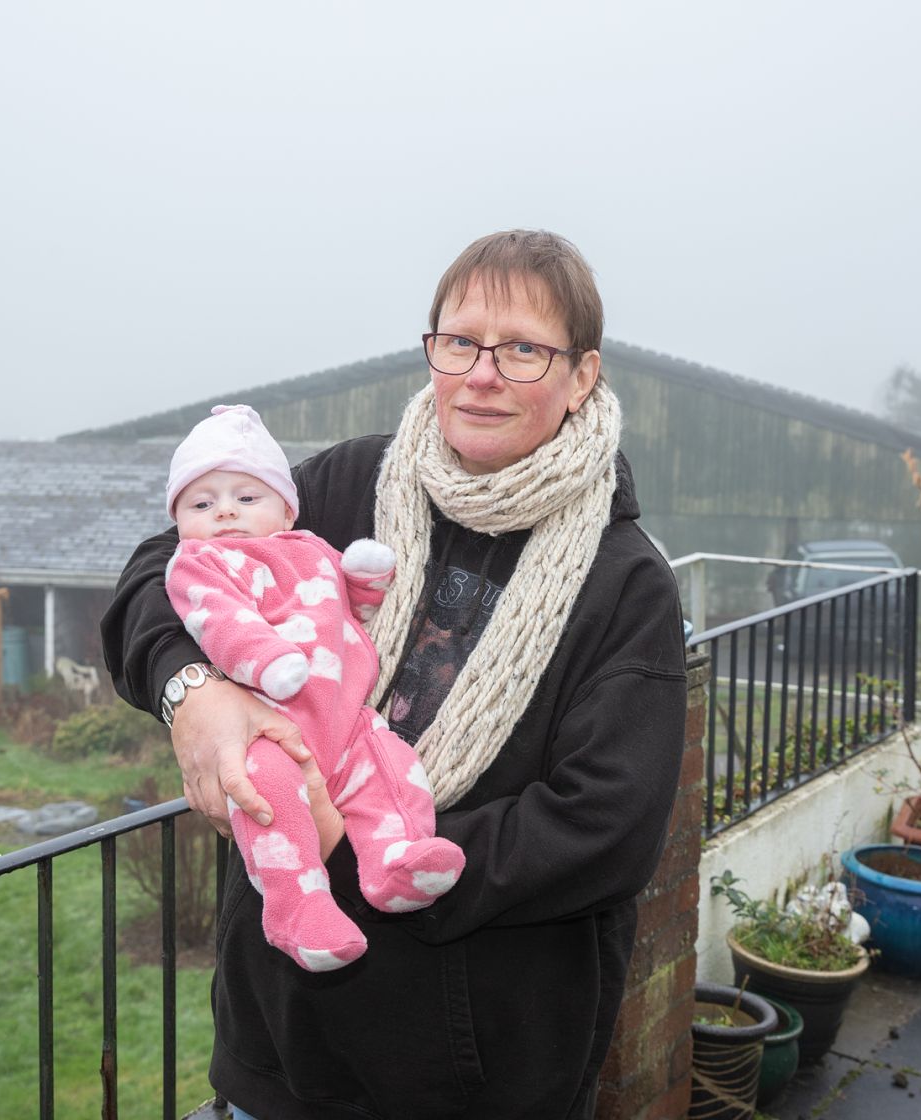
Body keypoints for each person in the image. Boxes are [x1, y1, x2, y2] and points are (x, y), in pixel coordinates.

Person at [102, 229, 689, 1120]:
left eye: (523, 350)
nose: (481, 375)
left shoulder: (625, 583)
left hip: (473, 1081)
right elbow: (164, 566)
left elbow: (604, 830)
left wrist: (352, 847)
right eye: (460, 342)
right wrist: (193, 693)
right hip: (279, 1050)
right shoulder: (352, 483)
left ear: (582, 376)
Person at [162, 404, 465, 973]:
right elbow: (219, 619)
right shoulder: (200, 563)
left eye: (246, 497)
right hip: (270, 725)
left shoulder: (309, 547)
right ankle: (297, 909)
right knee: (268, 798)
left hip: (347, 720)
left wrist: (365, 583)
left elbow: (344, 608)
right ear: (178, 520)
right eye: (201, 504)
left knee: (392, 769)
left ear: (285, 509)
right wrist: (264, 658)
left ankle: (395, 859)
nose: (224, 511)